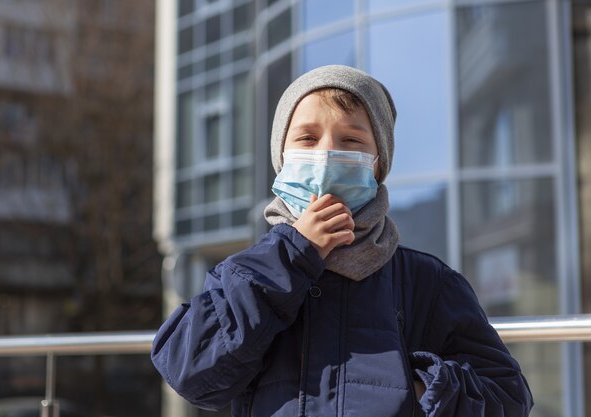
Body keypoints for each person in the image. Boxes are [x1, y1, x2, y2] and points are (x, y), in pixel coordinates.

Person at [151, 65, 533, 417]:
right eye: (307, 138)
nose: (326, 155)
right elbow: (192, 375)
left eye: (351, 140)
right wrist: (292, 255)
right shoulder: (243, 273)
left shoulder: (427, 282)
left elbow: (507, 396)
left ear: (378, 163)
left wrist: (419, 387)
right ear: (281, 158)